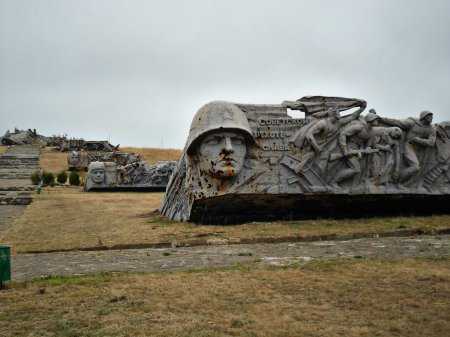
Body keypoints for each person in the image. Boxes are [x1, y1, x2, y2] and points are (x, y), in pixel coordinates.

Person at [381, 111, 436, 183]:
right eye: (429, 116)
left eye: (432, 117)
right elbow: (397, 122)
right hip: (408, 146)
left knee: (418, 170)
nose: (431, 118)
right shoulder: (413, 122)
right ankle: (396, 179)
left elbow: (431, 142)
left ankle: (402, 183)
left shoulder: (431, 129)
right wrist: (381, 119)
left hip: (420, 150)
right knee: (415, 167)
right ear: (424, 117)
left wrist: (418, 140)